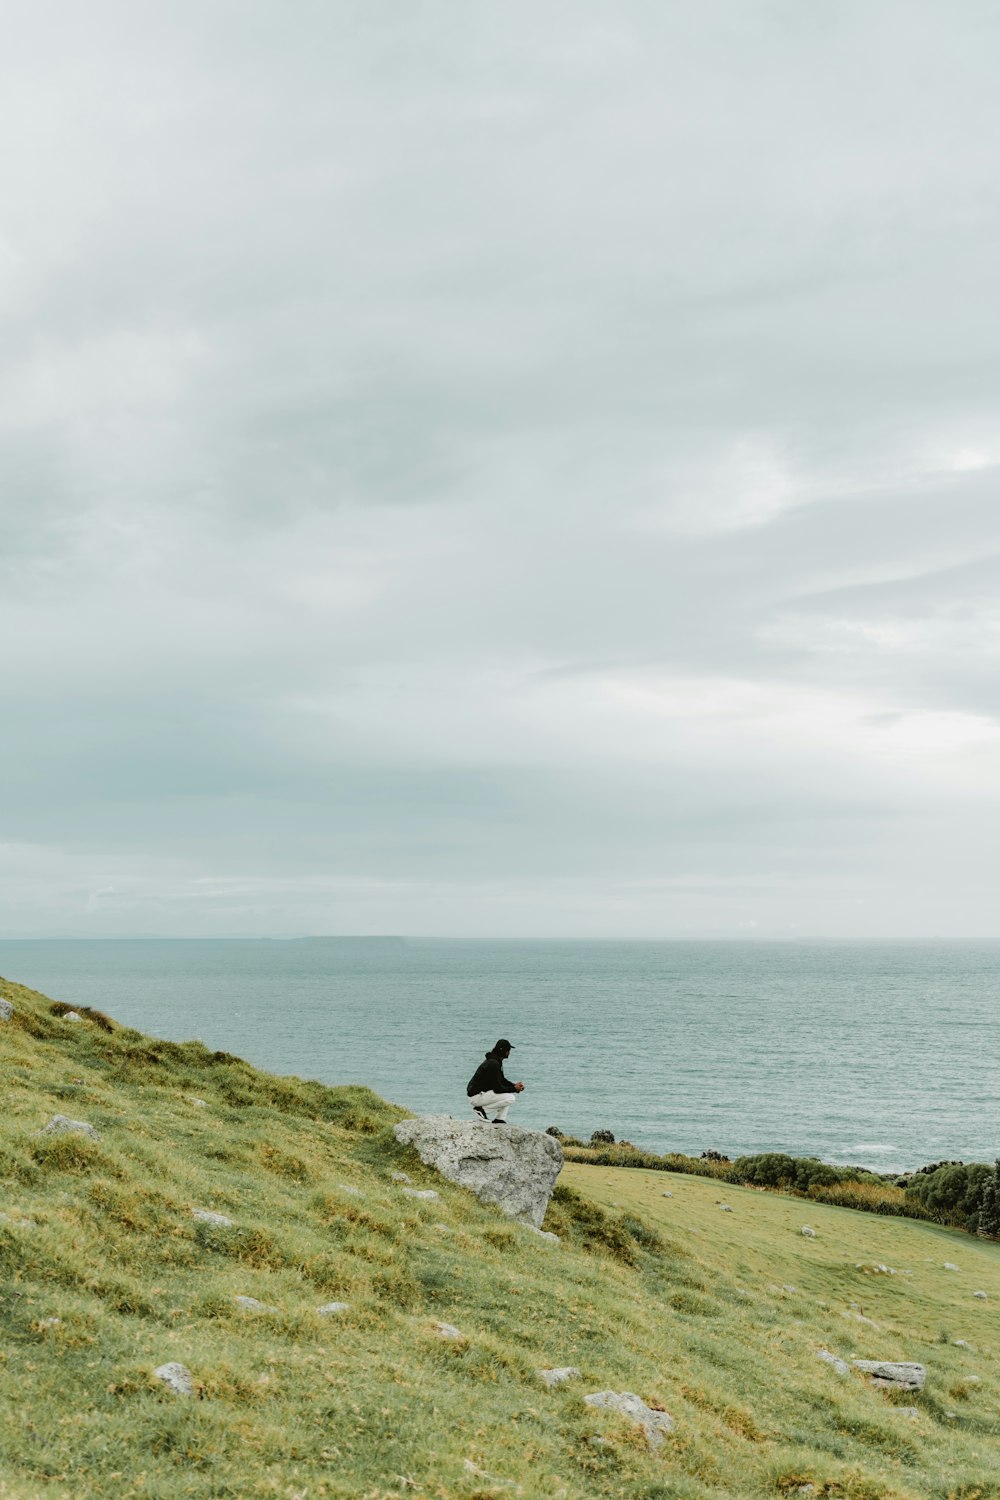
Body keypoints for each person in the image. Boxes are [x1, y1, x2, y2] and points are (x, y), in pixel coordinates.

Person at [466, 1038, 525, 1123]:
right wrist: (514, 1089)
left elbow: (502, 1080)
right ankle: (482, 1110)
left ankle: (500, 1119)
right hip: (476, 1096)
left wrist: (514, 1085)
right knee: (510, 1098)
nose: (509, 1052)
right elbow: (498, 1089)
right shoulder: (493, 1064)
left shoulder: (495, 1062)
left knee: (507, 1094)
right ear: (504, 1051)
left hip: (480, 1094)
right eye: (508, 1050)